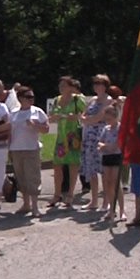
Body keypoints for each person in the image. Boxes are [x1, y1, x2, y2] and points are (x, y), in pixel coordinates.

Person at [9, 86, 48, 218]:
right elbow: (10, 131)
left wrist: (35, 126)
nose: (31, 100)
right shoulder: (13, 113)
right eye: (28, 97)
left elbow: (47, 129)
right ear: (20, 98)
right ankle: (26, 204)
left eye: (32, 97)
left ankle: (35, 207)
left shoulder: (37, 111)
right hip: (16, 149)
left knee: (33, 177)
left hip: (31, 148)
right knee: (21, 177)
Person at [49, 75, 85, 208]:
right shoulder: (57, 100)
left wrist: (74, 116)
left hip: (73, 135)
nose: (61, 88)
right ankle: (57, 194)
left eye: (64, 85)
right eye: (60, 86)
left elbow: (85, 115)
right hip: (61, 136)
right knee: (57, 166)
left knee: (73, 166)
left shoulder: (77, 99)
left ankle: (70, 194)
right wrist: (55, 117)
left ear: (71, 87)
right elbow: (51, 117)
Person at [80, 74, 111, 211]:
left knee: (103, 170)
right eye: (95, 83)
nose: (97, 86)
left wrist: (88, 119)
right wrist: (87, 119)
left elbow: (100, 117)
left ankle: (106, 202)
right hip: (89, 137)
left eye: (100, 83)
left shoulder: (108, 100)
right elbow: (82, 115)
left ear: (105, 86)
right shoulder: (92, 99)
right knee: (91, 169)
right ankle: (93, 200)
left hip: (101, 136)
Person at [98, 104, 125, 223]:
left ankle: (122, 210)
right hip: (106, 157)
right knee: (108, 182)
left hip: (116, 157)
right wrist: (103, 146)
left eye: (109, 119)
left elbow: (116, 146)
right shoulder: (106, 129)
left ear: (115, 117)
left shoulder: (120, 128)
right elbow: (100, 142)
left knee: (116, 182)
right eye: (106, 119)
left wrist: (106, 146)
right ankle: (111, 208)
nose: (108, 121)